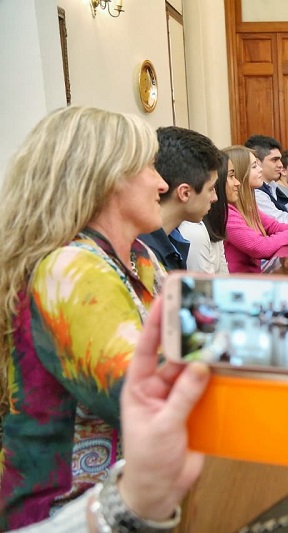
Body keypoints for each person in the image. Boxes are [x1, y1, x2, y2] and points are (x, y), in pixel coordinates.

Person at [0, 107, 167, 528]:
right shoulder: (72, 271)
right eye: (150, 166)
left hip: (134, 493)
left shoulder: (140, 257)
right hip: (71, 511)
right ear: (111, 175)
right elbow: (148, 400)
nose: (162, 183)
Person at [10, 300, 212, 532]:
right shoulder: (76, 271)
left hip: (131, 494)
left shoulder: (141, 267)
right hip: (73, 496)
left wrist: (139, 499)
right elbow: (124, 389)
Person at [222, 146, 288, 273]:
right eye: (254, 166)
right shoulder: (228, 213)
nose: (260, 169)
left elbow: (274, 226)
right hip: (240, 286)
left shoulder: (248, 206)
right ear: (240, 173)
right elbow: (260, 247)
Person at [138, 126, 221, 271]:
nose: (215, 198)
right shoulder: (146, 254)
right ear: (185, 193)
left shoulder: (171, 239)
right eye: (211, 189)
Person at [180, 152, 239, 274]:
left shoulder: (215, 220)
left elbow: (223, 274)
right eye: (231, 176)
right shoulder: (194, 229)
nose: (237, 182)